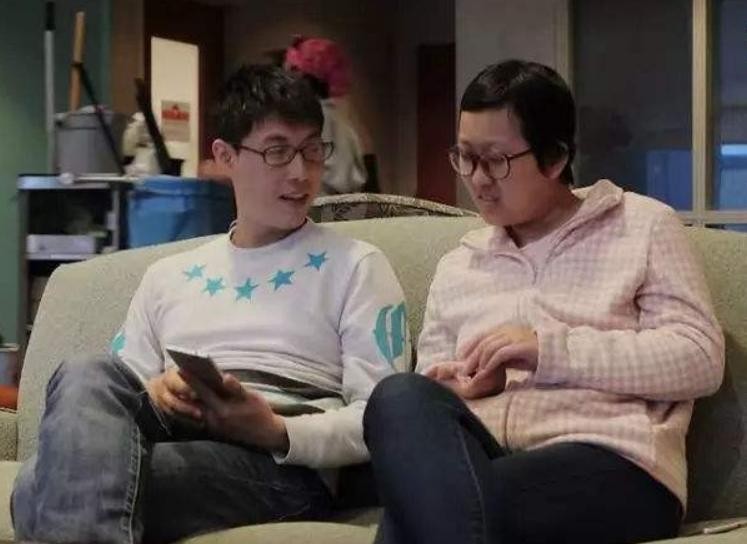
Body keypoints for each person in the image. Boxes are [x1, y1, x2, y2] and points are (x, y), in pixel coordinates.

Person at [12, 64, 410, 544]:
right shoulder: (168, 275)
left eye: (311, 150)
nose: (300, 172)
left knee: (43, 487)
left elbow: (383, 417)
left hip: (279, 465)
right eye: (277, 152)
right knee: (86, 371)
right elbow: (114, 395)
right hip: (172, 432)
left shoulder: (357, 265)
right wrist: (159, 390)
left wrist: (274, 430)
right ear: (225, 156)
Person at [362, 59, 724, 544]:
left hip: (613, 462)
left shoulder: (642, 226)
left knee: (415, 519)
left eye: (495, 160)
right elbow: (435, 395)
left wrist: (549, 350)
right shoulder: (458, 264)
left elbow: (699, 358)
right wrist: (466, 387)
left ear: (554, 158)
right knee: (400, 396)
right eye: (465, 157)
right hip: (488, 463)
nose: (477, 179)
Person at [284, 36, 368, 195]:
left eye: (293, 71)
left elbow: (342, 182)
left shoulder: (323, 120)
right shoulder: (332, 119)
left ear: (305, 78)